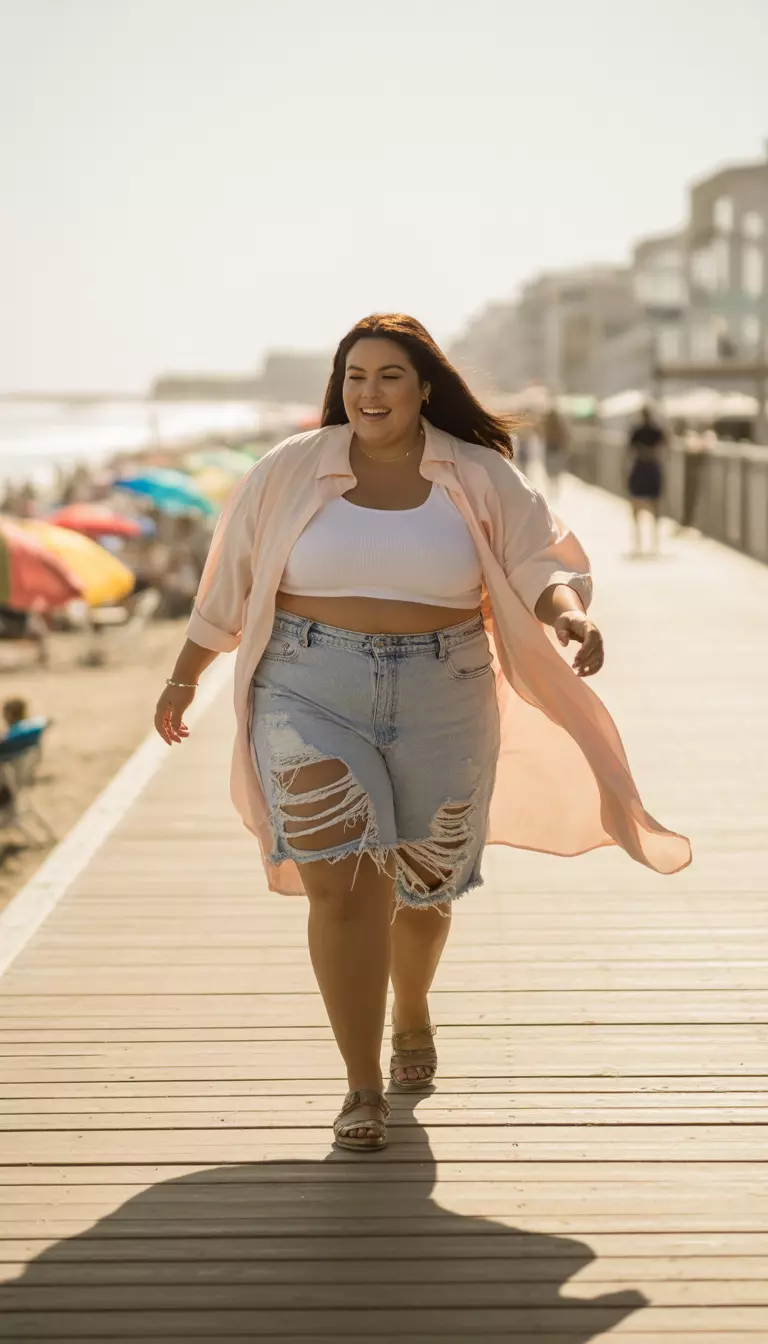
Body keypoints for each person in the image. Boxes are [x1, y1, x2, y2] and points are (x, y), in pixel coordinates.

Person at [154, 313, 690, 1154]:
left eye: (389, 376)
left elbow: (538, 560)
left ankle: (412, 1008)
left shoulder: (476, 473)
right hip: (307, 680)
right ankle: (360, 1088)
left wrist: (570, 614)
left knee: (424, 885)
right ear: (341, 386)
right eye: (356, 375)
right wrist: (185, 674)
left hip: (447, 684)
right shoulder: (289, 470)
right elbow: (233, 578)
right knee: (340, 879)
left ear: (423, 387)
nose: (370, 392)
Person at [627, 406, 666, 556]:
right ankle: (652, 543)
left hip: (641, 469)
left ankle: (640, 543)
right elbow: (665, 446)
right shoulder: (656, 431)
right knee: (654, 507)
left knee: (637, 508)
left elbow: (630, 450)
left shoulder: (637, 431)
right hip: (650, 469)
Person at [541, 404, 571, 497]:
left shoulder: (548, 425)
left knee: (550, 470)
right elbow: (565, 437)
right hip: (556, 449)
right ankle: (554, 487)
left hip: (550, 449)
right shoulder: (558, 426)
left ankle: (552, 486)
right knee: (555, 470)